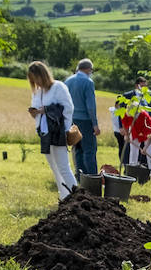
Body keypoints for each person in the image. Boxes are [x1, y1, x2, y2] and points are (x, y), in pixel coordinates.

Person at [27, 60, 77, 200]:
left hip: (58, 132)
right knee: (54, 168)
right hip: (45, 133)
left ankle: (77, 197)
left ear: (42, 75)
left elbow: (68, 108)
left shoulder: (58, 87)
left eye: (36, 78)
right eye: (32, 80)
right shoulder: (38, 92)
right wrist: (35, 113)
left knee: (63, 167)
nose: (35, 82)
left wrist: (47, 111)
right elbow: (38, 110)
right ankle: (64, 196)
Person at [64, 57, 100, 176]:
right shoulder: (88, 82)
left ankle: (79, 175)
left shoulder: (68, 81)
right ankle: (92, 177)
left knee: (77, 149)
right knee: (89, 149)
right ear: (89, 69)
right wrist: (95, 124)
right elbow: (90, 106)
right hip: (85, 120)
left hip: (71, 119)